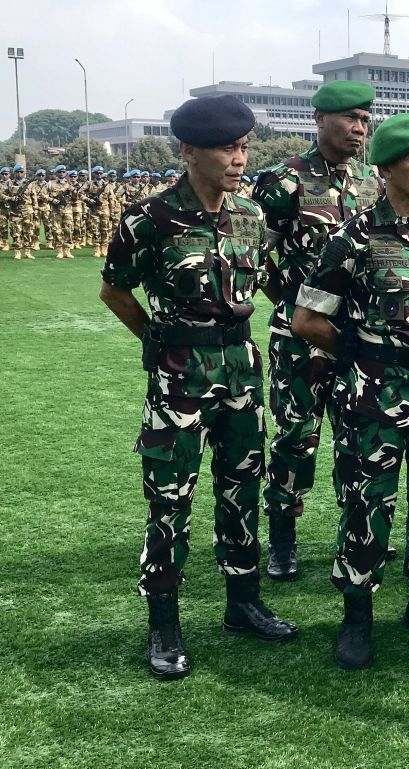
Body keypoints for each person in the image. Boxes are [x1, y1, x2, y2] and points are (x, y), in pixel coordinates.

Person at [99, 94, 298, 681]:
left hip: (240, 366)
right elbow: (115, 290)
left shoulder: (251, 217)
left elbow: (264, 285)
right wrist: (155, 340)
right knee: (170, 499)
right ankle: (164, 620)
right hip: (178, 377)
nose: (239, 159)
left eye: (243, 147)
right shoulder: (149, 219)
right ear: (188, 151)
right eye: (225, 148)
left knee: (242, 488)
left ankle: (243, 601)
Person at [291, 113, 409, 670]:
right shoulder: (352, 239)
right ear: (386, 170)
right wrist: (363, 353)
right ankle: (357, 618)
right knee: (367, 500)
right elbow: (307, 319)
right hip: (376, 389)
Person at [253, 79, 382, 581]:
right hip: (302, 338)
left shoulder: (374, 180)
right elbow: (256, 257)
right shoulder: (283, 181)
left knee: (361, 438)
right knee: (295, 438)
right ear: (319, 120)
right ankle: (283, 537)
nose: (358, 128)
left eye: (364, 120)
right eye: (349, 118)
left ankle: (359, 535)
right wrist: (292, 306)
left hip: (361, 338)